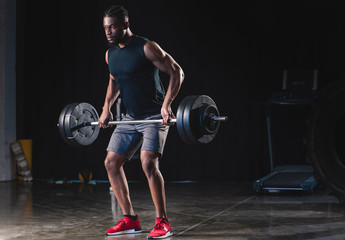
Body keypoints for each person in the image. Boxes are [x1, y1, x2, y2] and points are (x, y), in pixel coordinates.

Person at [98, 5, 184, 239]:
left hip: (154, 116)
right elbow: (114, 81)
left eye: (113, 26)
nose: (108, 32)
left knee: (148, 162)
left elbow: (177, 71)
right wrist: (106, 108)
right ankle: (129, 220)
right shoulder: (110, 54)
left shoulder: (146, 48)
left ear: (126, 25)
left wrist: (166, 104)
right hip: (129, 118)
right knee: (111, 163)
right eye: (106, 28)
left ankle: (163, 222)